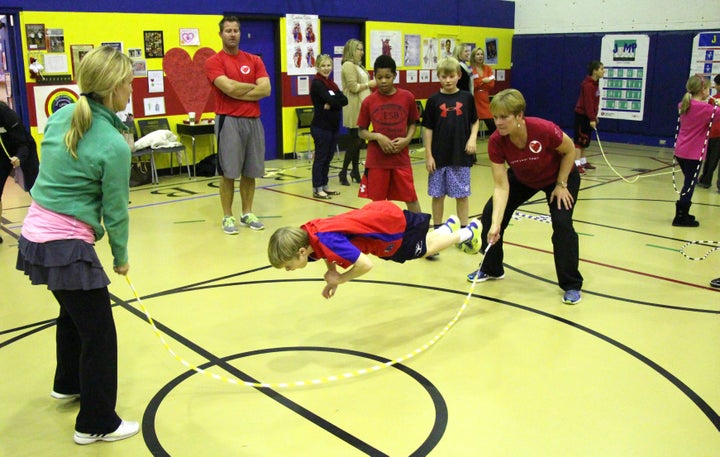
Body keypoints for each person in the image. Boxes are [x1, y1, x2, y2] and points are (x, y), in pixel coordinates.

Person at [15, 46, 138, 445]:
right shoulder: (114, 144)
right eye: (128, 83)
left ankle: (67, 383)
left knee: (72, 313)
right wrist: (121, 259)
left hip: (35, 235)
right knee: (100, 334)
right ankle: (96, 422)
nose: (131, 89)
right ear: (115, 88)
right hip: (65, 245)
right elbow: (116, 211)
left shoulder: (60, 115)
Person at [466, 89, 584, 305]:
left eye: (504, 117)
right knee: (491, 212)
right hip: (524, 178)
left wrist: (561, 184)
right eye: (495, 117)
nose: (498, 122)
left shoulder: (544, 129)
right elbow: (501, 186)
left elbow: (569, 151)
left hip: (558, 177)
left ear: (519, 116)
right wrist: (495, 224)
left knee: (562, 223)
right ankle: (492, 268)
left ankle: (571, 284)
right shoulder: (496, 142)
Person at [268, 200, 481, 298]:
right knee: (422, 242)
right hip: (379, 214)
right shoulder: (308, 232)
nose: (289, 270)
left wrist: (340, 279)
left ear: (301, 252)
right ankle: (447, 227)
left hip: (386, 231)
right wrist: (331, 269)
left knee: (423, 249)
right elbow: (323, 249)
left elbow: (365, 265)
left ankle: (468, 232)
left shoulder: (327, 242)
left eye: (288, 266)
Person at [205, 15, 271, 234]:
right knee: (228, 173)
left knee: (250, 172)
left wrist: (237, 88)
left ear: (240, 33)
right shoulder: (214, 62)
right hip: (229, 121)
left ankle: (247, 212)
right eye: (228, 31)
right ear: (221, 34)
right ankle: (227, 216)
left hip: (253, 121)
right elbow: (228, 88)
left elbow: (266, 90)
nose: (232, 34)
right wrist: (251, 87)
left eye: (236, 30)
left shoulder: (254, 60)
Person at [357, 55, 422, 213]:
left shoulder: (407, 97)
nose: (383, 81)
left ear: (395, 76)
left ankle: (420, 234)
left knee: (411, 198)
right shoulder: (368, 101)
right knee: (377, 204)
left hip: (400, 159)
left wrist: (407, 140)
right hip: (377, 161)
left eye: (387, 77)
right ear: (374, 77)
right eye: (379, 77)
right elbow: (361, 131)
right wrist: (378, 137)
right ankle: (378, 236)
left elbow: (413, 123)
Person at [423, 57, 479, 230]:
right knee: (438, 195)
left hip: (460, 156)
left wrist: (472, 139)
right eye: (443, 77)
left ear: (459, 75)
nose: (447, 80)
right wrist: (428, 156)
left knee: (462, 195)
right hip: (439, 157)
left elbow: (474, 121)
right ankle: (438, 229)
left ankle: (464, 231)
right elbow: (427, 128)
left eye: (451, 76)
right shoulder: (433, 100)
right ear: (438, 76)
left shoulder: (467, 98)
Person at [672, 74, 720, 227]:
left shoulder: (683, 104)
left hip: (681, 151)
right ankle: (680, 217)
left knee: (688, 182)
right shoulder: (708, 109)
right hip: (694, 153)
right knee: (689, 185)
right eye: (708, 87)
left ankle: (683, 213)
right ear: (703, 90)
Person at [309, 54, 348, 199]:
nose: (326, 68)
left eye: (328, 65)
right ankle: (317, 188)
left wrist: (332, 103)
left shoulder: (331, 83)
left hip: (332, 127)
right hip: (321, 127)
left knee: (328, 158)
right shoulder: (318, 84)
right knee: (321, 158)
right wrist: (333, 102)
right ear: (317, 67)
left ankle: (325, 185)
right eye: (323, 66)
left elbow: (344, 100)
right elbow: (335, 101)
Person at [0, 101, 39, 244]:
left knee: (35, 190)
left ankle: (45, 224)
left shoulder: (7, 115)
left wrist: (19, 157)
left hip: (23, 152)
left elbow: (24, 143)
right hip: (2, 155)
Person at [339, 39, 375, 186]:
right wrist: (369, 84)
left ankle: (354, 170)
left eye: (362, 49)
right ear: (351, 50)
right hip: (354, 107)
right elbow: (353, 87)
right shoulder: (348, 65)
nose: (362, 52)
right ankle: (343, 171)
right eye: (359, 49)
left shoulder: (358, 66)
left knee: (358, 141)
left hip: (363, 106)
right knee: (354, 140)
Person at [573, 60, 604, 173]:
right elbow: (588, 103)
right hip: (582, 116)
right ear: (595, 71)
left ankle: (583, 162)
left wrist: (594, 116)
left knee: (585, 141)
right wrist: (591, 118)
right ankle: (576, 165)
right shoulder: (587, 85)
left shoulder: (595, 85)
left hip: (589, 116)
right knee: (579, 141)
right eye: (601, 69)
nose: (603, 71)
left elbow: (595, 102)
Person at [698, 74, 720, 191]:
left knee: (711, 159)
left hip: (716, 133)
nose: (715, 87)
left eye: (716, 84)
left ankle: (705, 180)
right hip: (716, 133)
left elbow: (708, 115)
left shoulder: (714, 99)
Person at [470, 47, 496, 136]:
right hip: (474, 98)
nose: (480, 56)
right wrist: (483, 81)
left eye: (481, 54)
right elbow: (473, 85)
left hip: (484, 97)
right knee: (472, 124)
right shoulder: (470, 69)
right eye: (477, 54)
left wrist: (480, 82)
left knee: (491, 123)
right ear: (473, 56)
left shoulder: (488, 68)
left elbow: (491, 84)